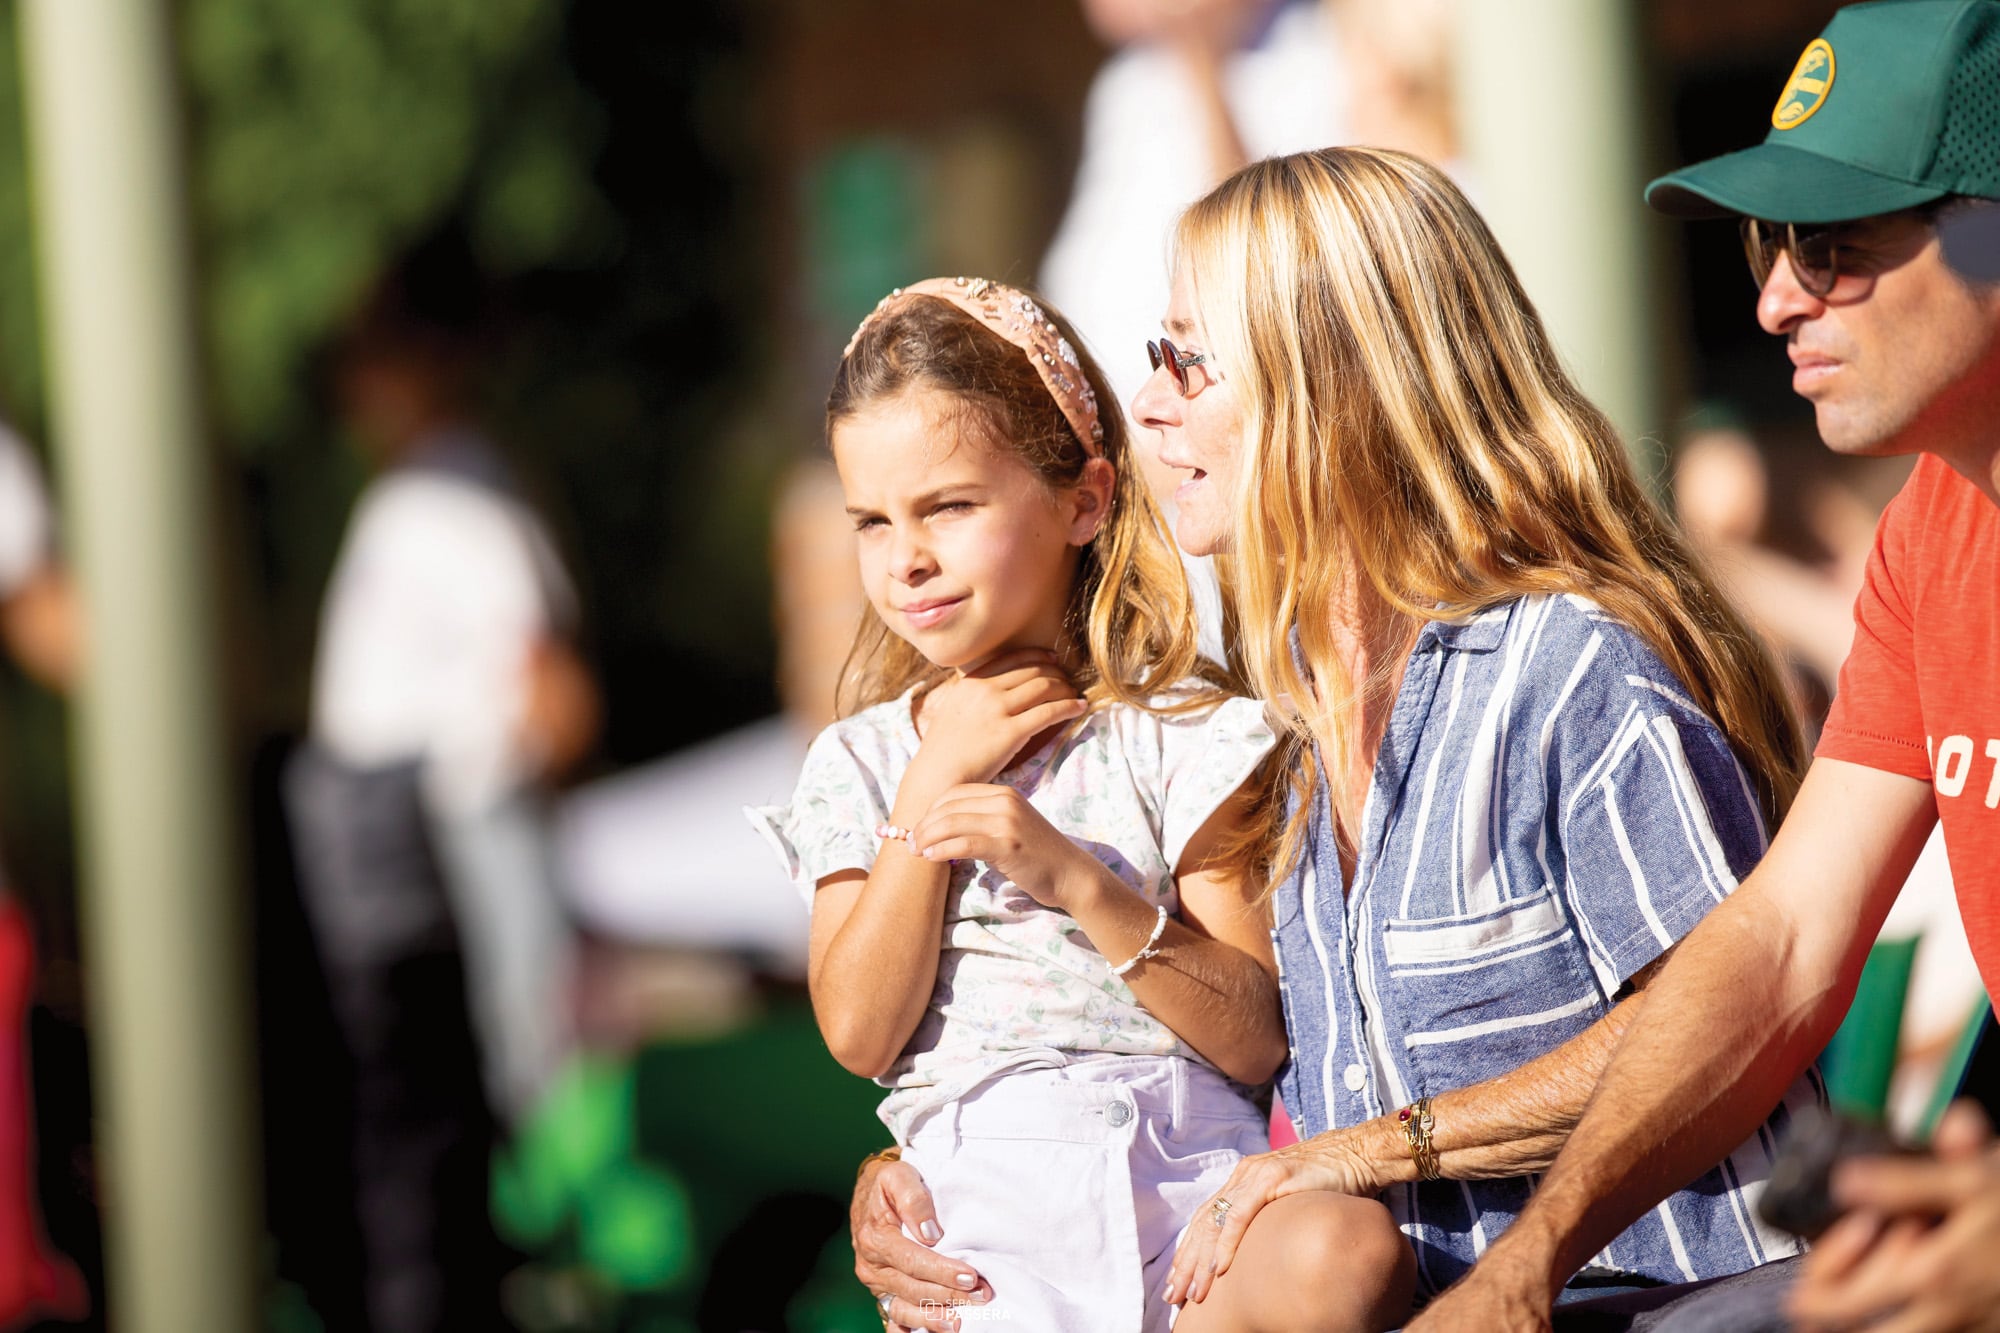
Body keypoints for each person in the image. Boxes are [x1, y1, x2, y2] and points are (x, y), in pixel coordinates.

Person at [853, 149, 1817, 1332]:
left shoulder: (1567, 665)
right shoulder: (1287, 714)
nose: (1147, 404)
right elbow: (1210, 1057)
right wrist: (935, 1173)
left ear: (1337, 386)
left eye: (1187, 360)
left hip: (1675, 1296)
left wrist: (1379, 1152)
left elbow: (1727, 1024)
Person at [1407, 4, 2000, 1330]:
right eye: (1767, 242)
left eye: (1835, 247)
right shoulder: (1935, 529)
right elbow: (1786, 935)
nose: (1777, 296)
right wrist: (1530, 1259)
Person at [747, 276, 1409, 1333]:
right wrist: (931, 791)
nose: (906, 556)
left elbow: (1254, 1037)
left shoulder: (1183, 727)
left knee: (1344, 1250)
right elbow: (861, 1030)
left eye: (949, 506)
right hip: (987, 1233)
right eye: (871, 520)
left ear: (1082, 501)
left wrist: (1072, 879)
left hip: (1192, 1205)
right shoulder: (864, 760)